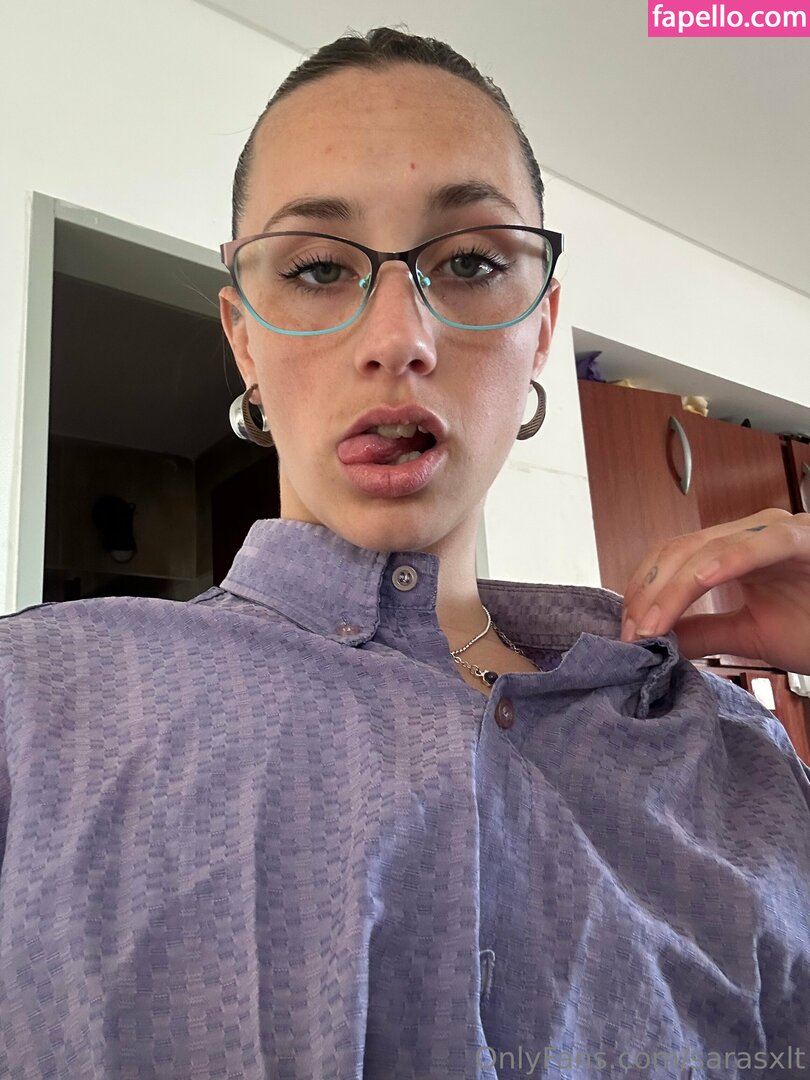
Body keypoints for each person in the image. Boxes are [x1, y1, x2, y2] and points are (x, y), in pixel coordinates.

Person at [1, 26, 809, 1080]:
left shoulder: (729, 750)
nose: (398, 339)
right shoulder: (31, 705)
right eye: (318, 267)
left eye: (470, 262)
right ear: (244, 338)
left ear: (541, 328)